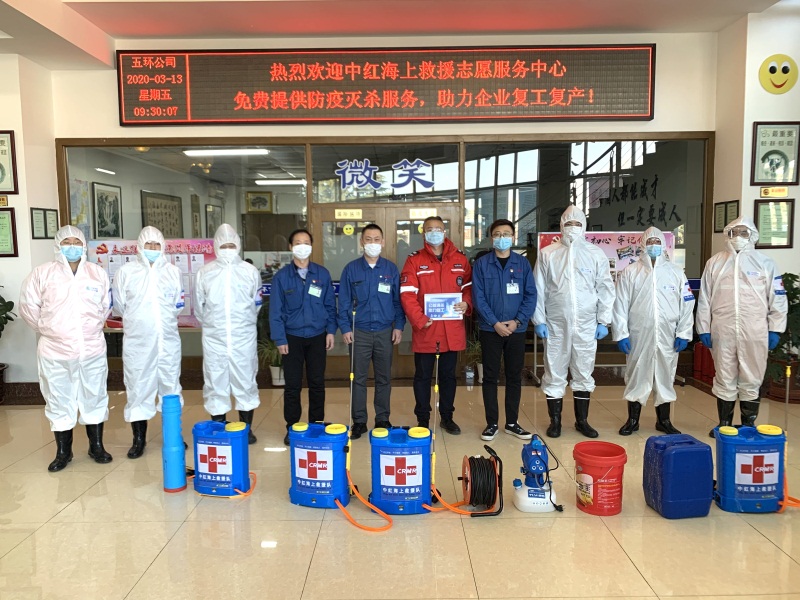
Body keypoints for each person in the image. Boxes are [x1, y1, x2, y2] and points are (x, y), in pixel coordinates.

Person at [19, 225, 112, 471]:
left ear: (84, 245)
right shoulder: (42, 274)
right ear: (58, 245)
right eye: (67, 242)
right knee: (59, 397)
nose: (72, 246)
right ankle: (63, 452)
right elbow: (28, 307)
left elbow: (106, 307)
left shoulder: (96, 273)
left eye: (77, 241)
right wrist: (51, 330)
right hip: (55, 351)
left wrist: (90, 329)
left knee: (94, 394)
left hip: (91, 348)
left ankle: (96, 446)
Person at [696, 216, 787, 437]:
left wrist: (775, 328)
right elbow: (705, 298)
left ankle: (748, 425)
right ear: (727, 234)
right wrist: (704, 328)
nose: (738, 237)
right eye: (734, 232)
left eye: (744, 233)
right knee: (724, 374)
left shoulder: (766, 263)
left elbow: (778, 297)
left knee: (752, 375)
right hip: (723, 329)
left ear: (753, 236)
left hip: (755, 329)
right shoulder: (715, 263)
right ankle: (724, 425)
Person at [533, 206, 615, 438]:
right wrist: (539, 320)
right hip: (555, 324)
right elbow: (538, 288)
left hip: (587, 324)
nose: (573, 228)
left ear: (584, 226)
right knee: (554, 370)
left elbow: (605, 288)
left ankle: (582, 421)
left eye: (577, 224)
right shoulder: (548, 253)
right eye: (568, 224)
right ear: (561, 226)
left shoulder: (595, 254)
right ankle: (555, 422)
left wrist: (604, 321)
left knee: (583, 370)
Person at [612, 227, 694, 436]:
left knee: (665, 374)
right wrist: (621, 334)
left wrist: (684, 333)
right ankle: (633, 420)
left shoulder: (676, 272)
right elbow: (620, 304)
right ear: (643, 244)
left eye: (657, 242)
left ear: (663, 245)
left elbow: (687, 304)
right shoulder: (631, 272)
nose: (654, 246)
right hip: (639, 333)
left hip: (668, 334)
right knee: (637, 373)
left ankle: (664, 421)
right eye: (650, 242)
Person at [112, 226, 184, 458]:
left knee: (170, 386)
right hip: (138, 343)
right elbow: (120, 306)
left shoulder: (173, 272)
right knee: (138, 387)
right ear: (139, 246)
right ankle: (139, 440)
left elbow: (177, 304)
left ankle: (173, 436)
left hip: (168, 341)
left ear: (163, 246)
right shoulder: (126, 272)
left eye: (156, 244)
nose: (152, 248)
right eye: (148, 244)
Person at [400, 216, 472, 434]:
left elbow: (468, 288)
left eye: (438, 229)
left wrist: (466, 303)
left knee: (449, 377)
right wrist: (420, 320)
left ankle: (447, 417)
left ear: (444, 231)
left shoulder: (460, 259)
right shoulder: (414, 261)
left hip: (451, 331)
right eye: (429, 229)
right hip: (427, 329)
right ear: (424, 233)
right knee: (423, 377)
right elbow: (407, 295)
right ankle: (422, 419)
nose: (434, 232)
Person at [195, 224, 262, 445]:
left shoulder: (250, 271)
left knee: (246, 380)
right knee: (215, 380)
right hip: (215, 339)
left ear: (238, 246)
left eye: (231, 245)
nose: (227, 250)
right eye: (223, 246)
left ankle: (246, 428)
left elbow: (257, 304)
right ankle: (219, 426)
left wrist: (242, 324)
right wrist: (214, 326)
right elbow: (199, 307)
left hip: (243, 337)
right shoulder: (205, 272)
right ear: (216, 246)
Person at [270, 229, 337, 445]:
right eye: (297, 243)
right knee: (292, 385)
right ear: (291, 247)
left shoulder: (322, 274)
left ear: (311, 246)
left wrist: (330, 331)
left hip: (318, 335)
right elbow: (275, 311)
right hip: (292, 337)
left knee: (317, 383)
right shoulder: (281, 277)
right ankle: (292, 428)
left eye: (306, 242)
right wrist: (280, 339)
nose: (302, 246)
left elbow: (330, 306)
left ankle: (316, 425)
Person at [472, 219, 537, 441]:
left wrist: (518, 321)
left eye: (506, 234)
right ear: (491, 238)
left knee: (514, 376)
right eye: (497, 234)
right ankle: (491, 423)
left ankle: (512, 423)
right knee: (490, 377)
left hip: (516, 330)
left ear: (513, 237)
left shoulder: (522, 264)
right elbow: (478, 297)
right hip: (490, 329)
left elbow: (530, 295)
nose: (502, 238)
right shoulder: (482, 264)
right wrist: (495, 323)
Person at [338, 224, 405, 438]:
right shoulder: (351, 269)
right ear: (362, 242)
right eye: (368, 239)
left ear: (383, 242)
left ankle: (382, 418)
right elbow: (344, 302)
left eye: (377, 239)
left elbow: (398, 302)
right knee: (357, 378)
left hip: (385, 331)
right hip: (359, 332)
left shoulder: (391, 269)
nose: (373, 243)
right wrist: (345, 328)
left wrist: (399, 326)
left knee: (384, 378)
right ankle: (359, 421)